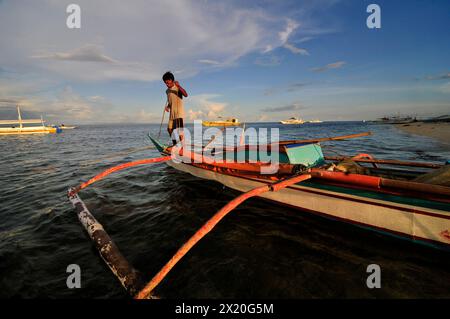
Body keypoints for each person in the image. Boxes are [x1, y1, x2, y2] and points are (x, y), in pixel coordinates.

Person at [162, 71, 188, 145]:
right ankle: (175, 145)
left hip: (179, 113)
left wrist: (179, 86)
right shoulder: (167, 91)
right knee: (169, 129)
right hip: (172, 114)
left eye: (168, 82)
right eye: (165, 83)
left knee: (180, 131)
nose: (167, 84)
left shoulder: (177, 87)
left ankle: (183, 147)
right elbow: (170, 101)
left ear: (172, 80)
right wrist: (168, 107)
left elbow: (186, 95)